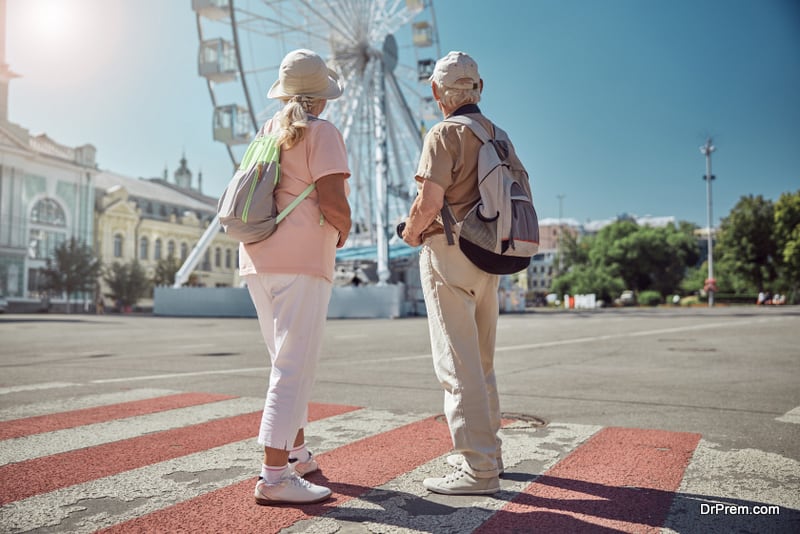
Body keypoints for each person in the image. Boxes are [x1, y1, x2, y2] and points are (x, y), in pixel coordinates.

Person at [402, 51, 527, 495]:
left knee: (457, 364)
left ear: (437, 92)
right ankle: (490, 452)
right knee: (483, 362)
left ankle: (478, 469)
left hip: (450, 254)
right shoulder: (499, 135)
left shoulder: (443, 133)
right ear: (480, 88)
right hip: (490, 257)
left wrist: (411, 234)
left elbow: (429, 203)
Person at [239, 49, 352, 505]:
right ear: (321, 98)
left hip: (256, 258)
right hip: (302, 261)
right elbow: (333, 202)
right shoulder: (321, 132)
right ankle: (273, 476)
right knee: (292, 367)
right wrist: (343, 230)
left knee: (285, 362)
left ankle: (298, 455)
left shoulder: (267, 132)